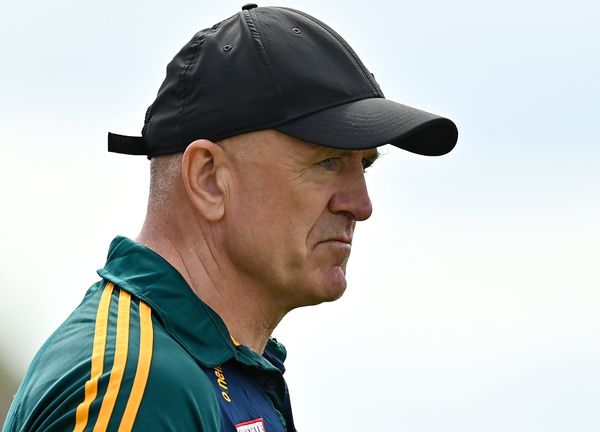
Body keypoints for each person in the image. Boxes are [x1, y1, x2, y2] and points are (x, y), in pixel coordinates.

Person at [3, 5, 457, 432]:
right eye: (328, 162)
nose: (361, 205)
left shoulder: (209, 368)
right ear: (208, 179)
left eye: (365, 165)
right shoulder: (141, 386)